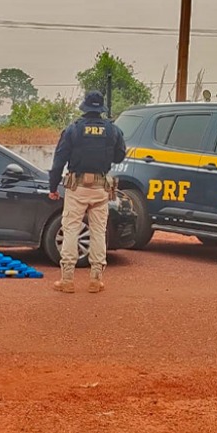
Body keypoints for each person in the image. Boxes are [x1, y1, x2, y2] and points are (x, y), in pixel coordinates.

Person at [47, 90, 127, 294]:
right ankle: (96, 279)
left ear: (85, 107)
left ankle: (67, 279)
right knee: (98, 231)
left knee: (71, 229)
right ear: (101, 109)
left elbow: (58, 162)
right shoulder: (113, 131)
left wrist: (53, 187)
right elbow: (119, 157)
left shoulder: (73, 130)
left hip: (77, 187)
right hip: (101, 188)